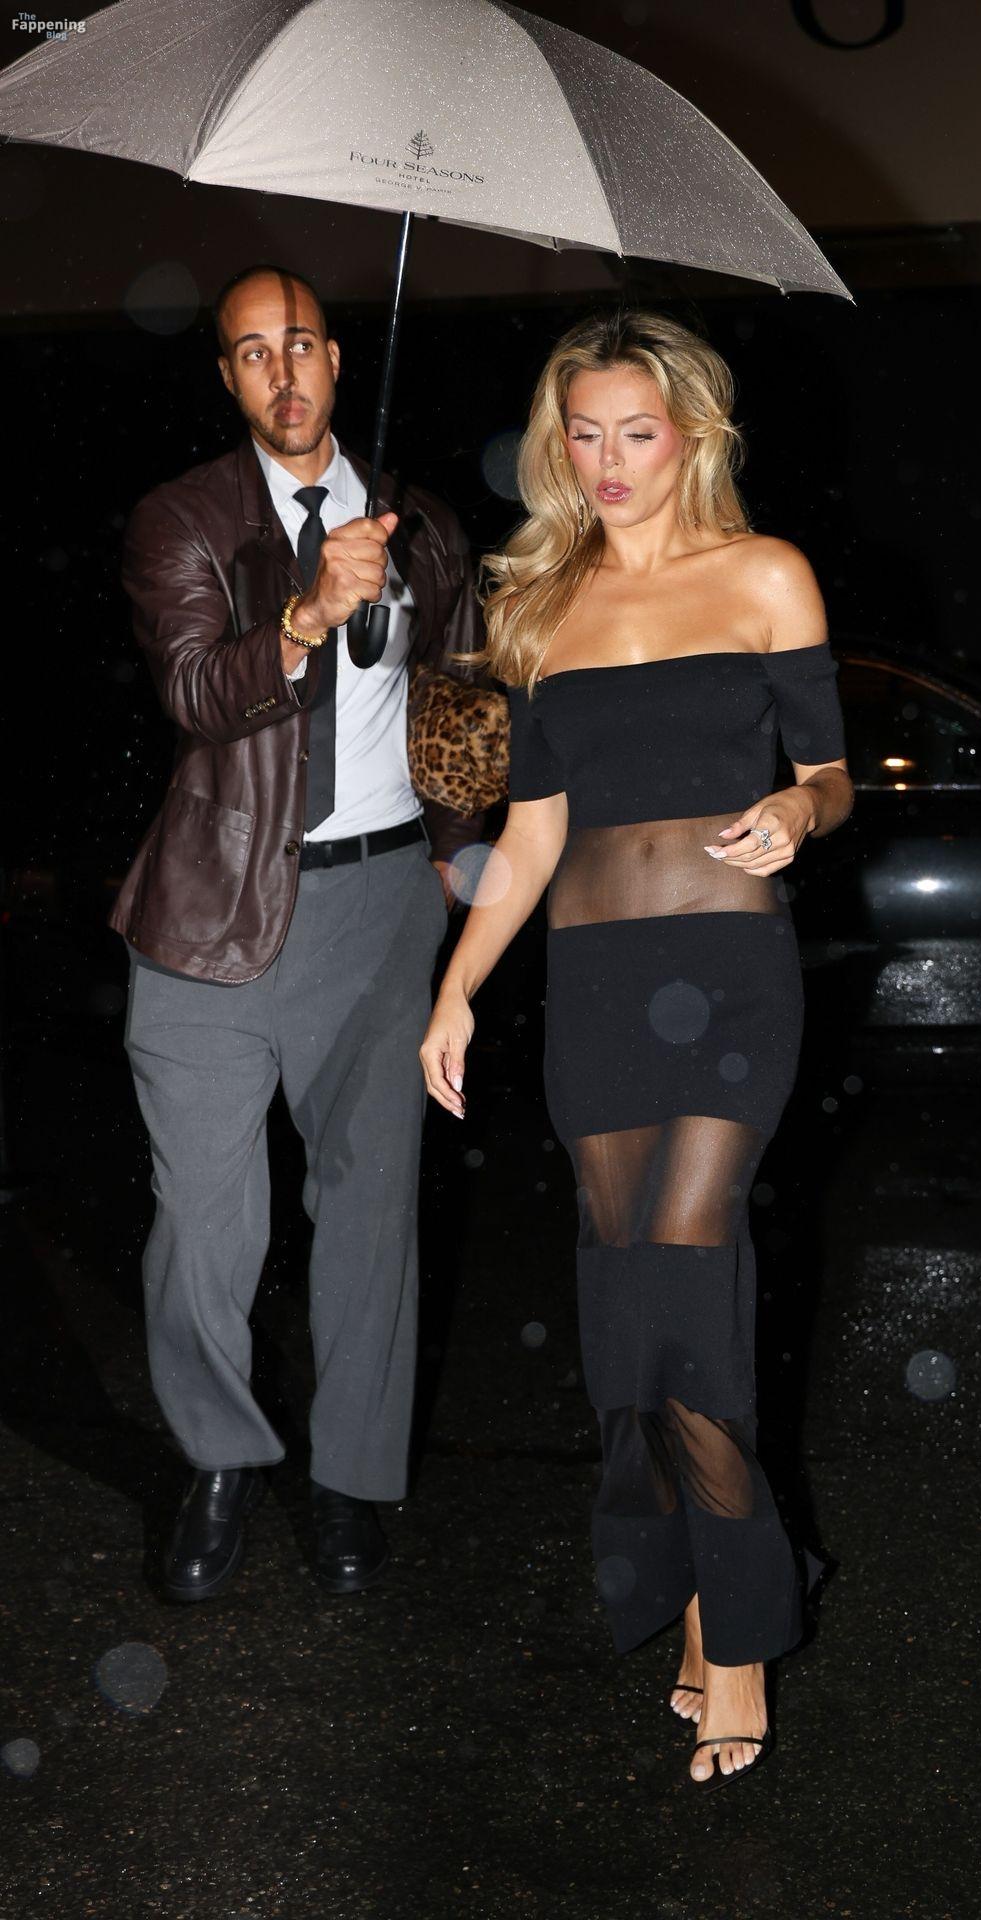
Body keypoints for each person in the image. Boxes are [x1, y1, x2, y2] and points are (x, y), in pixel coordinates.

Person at [419, 309, 853, 1789]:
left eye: (638, 432)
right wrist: (457, 987)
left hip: (731, 978)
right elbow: (534, 834)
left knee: (686, 1277)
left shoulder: (766, 574)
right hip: (597, 987)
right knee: (624, 1315)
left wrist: (796, 809)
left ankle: (742, 1636)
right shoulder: (545, 605)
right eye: (584, 434)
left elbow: (831, 773)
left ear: (694, 435)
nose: (608, 462)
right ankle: (697, 1585)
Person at [112, 263, 487, 1602]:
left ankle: (350, 1479)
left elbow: (463, 703)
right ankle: (221, 1459)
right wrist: (309, 614)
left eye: (304, 345)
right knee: (203, 1224)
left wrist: (456, 862)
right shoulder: (183, 520)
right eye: (254, 352)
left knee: (372, 1211)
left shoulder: (421, 524)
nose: (285, 373)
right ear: (227, 375)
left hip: (382, 909)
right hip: (210, 911)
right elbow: (194, 691)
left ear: (336, 358)